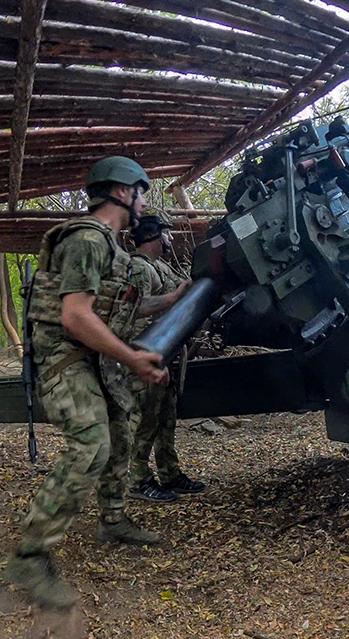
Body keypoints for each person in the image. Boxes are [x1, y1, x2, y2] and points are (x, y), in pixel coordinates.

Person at [5, 156, 184, 609]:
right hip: (65, 358)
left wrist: (174, 297)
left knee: (122, 431)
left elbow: (123, 309)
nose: (145, 200)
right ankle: (30, 554)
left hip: (94, 359)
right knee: (91, 443)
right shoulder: (86, 239)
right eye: (142, 191)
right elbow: (75, 315)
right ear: (123, 192)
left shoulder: (112, 248)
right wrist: (134, 359)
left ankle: (113, 519)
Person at [127, 209, 205, 502]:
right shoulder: (138, 268)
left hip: (166, 355)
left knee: (165, 419)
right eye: (166, 232)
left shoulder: (161, 267)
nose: (170, 237)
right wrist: (172, 298)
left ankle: (169, 473)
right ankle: (137, 480)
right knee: (146, 420)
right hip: (147, 356)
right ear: (151, 234)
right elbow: (135, 308)